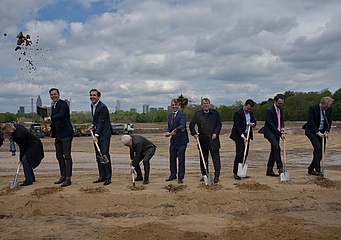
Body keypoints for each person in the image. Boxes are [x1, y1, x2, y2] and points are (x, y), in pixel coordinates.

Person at [44, 88, 74, 187]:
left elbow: (60, 115)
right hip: (58, 135)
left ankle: (68, 178)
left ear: (59, 95)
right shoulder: (53, 106)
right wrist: (50, 127)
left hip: (66, 134)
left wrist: (49, 118)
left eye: (55, 94)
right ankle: (63, 176)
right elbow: (55, 122)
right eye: (51, 95)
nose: (53, 96)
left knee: (67, 156)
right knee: (59, 156)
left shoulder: (63, 104)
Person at [189, 98, 222, 183]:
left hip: (213, 139)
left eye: (207, 103)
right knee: (203, 159)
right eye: (204, 103)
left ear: (209, 104)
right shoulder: (198, 114)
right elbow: (191, 124)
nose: (206, 105)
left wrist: (216, 133)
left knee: (216, 159)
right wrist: (194, 133)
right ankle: (205, 175)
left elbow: (219, 124)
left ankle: (216, 176)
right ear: (202, 105)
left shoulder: (215, 113)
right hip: (203, 140)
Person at [305, 96, 333, 176]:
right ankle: (317, 170)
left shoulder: (329, 109)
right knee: (318, 148)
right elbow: (311, 121)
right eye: (325, 107)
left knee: (322, 152)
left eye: (328, 107)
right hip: (312, 131)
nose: (326, 108)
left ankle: (311, 168)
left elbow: (329, 120)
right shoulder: (313, 108)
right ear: (321, 103)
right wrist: (317, 132)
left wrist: (327, 131)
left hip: (322, 132)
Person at [90, 89, 113, 186]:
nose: (92, 97)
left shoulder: (102, 107)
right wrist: (93, 126)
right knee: (98, 156)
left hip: (104, 135)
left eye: (94, 95)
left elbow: (102, 122)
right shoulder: (93, 106)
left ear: (99, 97)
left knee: (104, 155)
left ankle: (108, 177)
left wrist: (96, 135)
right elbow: (96, 121)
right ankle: (102, 175)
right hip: (98, 133)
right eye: (91, 95)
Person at [230, 99, 257, 180]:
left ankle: (241, 172)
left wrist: (253, 124)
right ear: (245, 105)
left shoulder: (250, 113)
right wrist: (243, 137)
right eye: (247, 109)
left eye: (250, 109)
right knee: (239, 153)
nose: (248, 110)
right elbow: (237, 127)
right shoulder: (238, 113)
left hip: (247, 135)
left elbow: (255, 122)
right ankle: (235, 172)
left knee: (245, 153)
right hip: (238, 136)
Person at [164, 99, 189, 184]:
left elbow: (182, 125)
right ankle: (172, 175)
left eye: (175, 105)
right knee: (172, 158)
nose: (174, 106)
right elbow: (169, 127)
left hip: (182, 141)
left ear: (178, 106)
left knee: (181, 159)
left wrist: (176, 130)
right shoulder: (170, 116)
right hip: (173, 141)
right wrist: (168, 132)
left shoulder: (182, 115)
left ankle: (180, 177)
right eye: (172, 105)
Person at [263, 94, 286, 177]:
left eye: (282, 103)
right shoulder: (269, 110)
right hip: (270, 132)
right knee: (277, 148)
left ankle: (269, 170)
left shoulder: (281, 109)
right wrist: (279, 134)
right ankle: (280, 167)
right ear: (275, 101)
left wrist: (282, 127)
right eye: (279, 103)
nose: (280, 105)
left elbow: (282, 119)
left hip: (277, 131)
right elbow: (270, 124)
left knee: (274, 150)